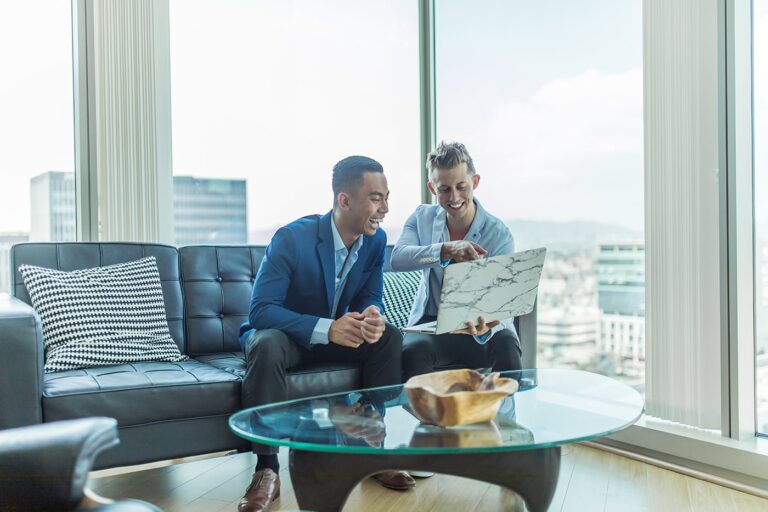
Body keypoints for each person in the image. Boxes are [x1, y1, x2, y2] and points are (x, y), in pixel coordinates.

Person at [237, 156, 411, 512]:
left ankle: (370, 447)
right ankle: (266, 469)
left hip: (338, 337)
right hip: (289, 339)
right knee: (265, 344)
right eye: (377, 198)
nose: (386, 208)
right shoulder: (292, 238)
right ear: (344, 200)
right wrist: (326, 328)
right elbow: (261, 311)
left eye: (387, 197)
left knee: (388, 336)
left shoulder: (376, 242)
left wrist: (372, 314)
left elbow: (370, 294)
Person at [391, 141, 523, 382]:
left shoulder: (499, 234)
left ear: (475, 182)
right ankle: (426, 419)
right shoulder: (421, 218)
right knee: (412, 351)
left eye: (461, 186)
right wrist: (445, 250)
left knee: (506, 344)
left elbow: (505, 302)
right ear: (432, 187)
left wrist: (489, 324)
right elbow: (398, 258)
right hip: (431, 326)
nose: (454, 197)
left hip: (481, 328)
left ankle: (507, 418)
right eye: (444, 189)